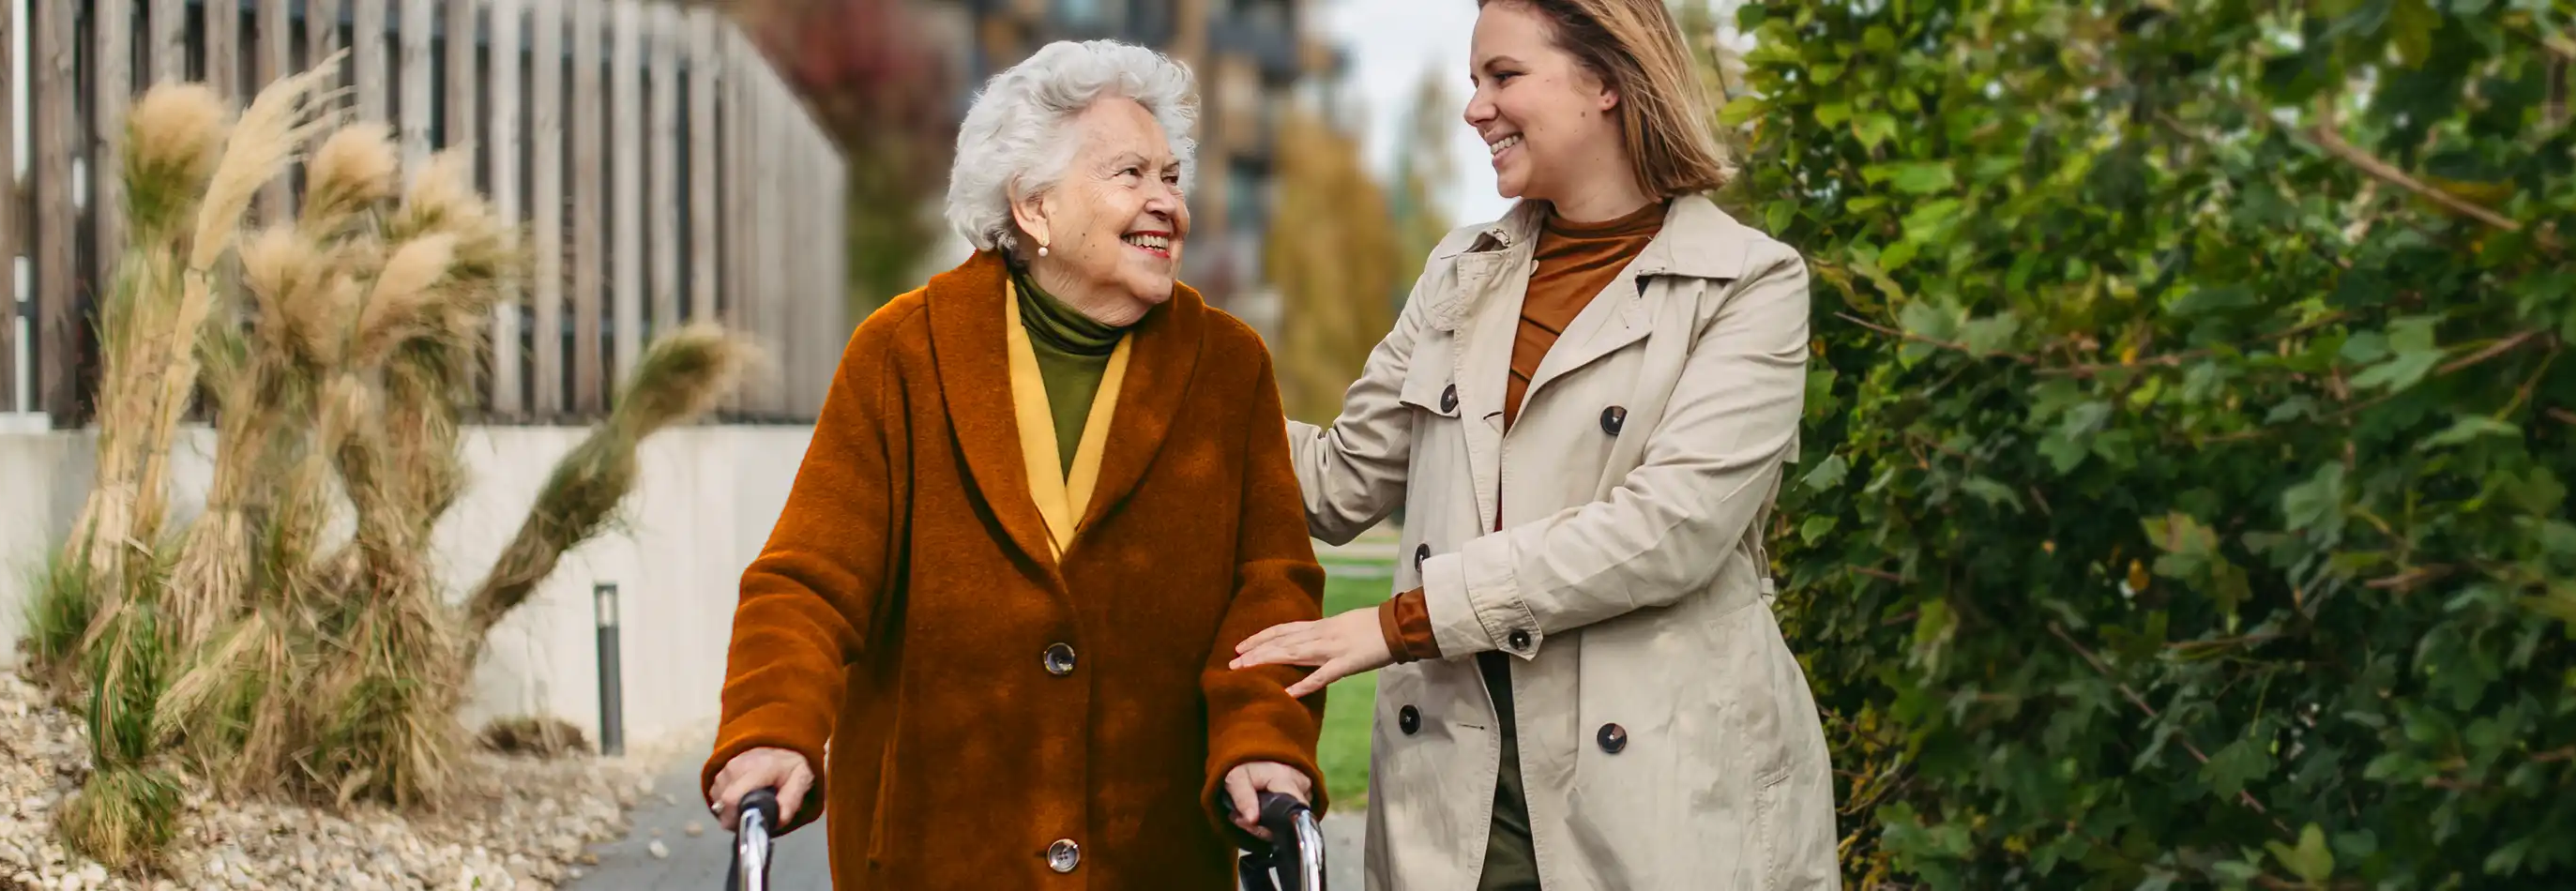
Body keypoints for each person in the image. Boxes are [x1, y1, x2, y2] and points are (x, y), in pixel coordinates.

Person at [1226, 1, 1835, 887]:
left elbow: (1670, 531)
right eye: (1475, 80)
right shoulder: (1460, 271)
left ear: (1608, 83)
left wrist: (1402, 624)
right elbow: (1336, 484)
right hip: (1456, 798)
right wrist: (1184, 389)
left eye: (1503, 76)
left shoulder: (1746, 284)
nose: (1475, 107)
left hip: (1657, 798)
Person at [701, 39, 1324, 888]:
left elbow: (1271, 589)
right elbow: (811, 577)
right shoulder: (903, 352)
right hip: (938, 850)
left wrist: (1264, 742)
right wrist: (773, 724)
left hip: (1152, 853)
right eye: (1130, 175)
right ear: (1032, 206)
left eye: (1172, 178)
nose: (1166, 205)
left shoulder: (1228, 364)